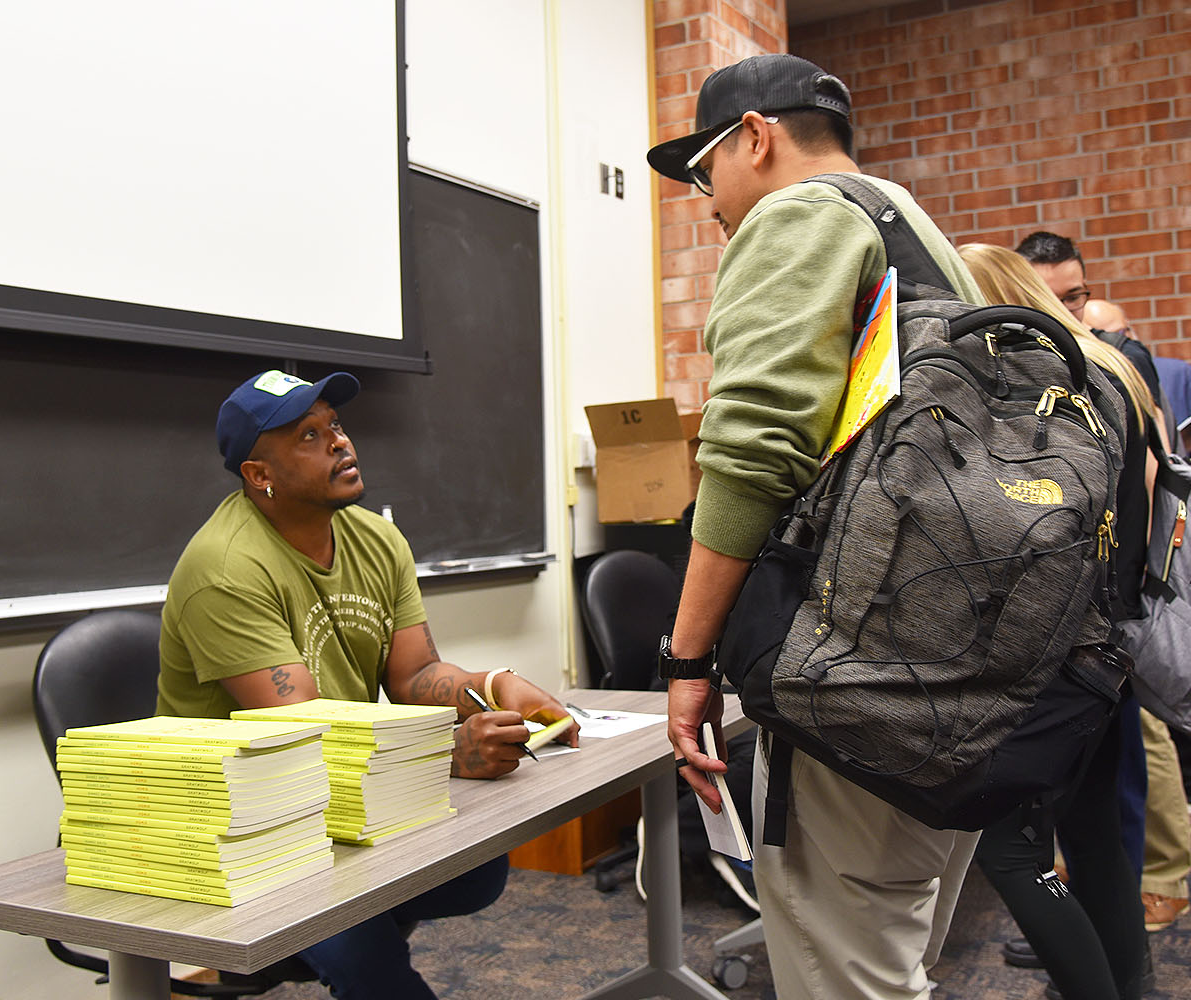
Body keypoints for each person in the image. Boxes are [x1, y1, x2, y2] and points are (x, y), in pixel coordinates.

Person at [645, 53, 984, 1000]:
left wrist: (685, 664)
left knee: (848, 976)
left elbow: (752, 452)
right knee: (893, 956)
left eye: (705, 170)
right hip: (962, 657)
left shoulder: (796, 216)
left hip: (863, 672)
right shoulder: (911, 228)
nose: (708, 201)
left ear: (754, 137)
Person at [157, 369, 578, 1000]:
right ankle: (342, 948)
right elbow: (297, 735)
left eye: (336, 425)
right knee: (355, 938)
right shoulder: (224, 570)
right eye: (308, 435)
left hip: (334, 795)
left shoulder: (376, 538)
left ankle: (346, 933)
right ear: (259, 475)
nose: (340, 443)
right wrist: (446, 755)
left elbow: (414, 676)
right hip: (239, 817)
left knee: (477, 869)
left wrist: (494, 685)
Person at [961, 244, 1159, 1000]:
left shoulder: (1033, 383)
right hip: (1110, 644)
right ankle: (1134, 988)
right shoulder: (1109, 369)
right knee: (1094, 839)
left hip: (1047, 652)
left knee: (1012, 855)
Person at [1085, 296, 1191, 837]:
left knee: (1179, 675)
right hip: (1121, 563)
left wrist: (1170, 483)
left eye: (1117, 331)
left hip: (1170, 549)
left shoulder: (1169, 373)